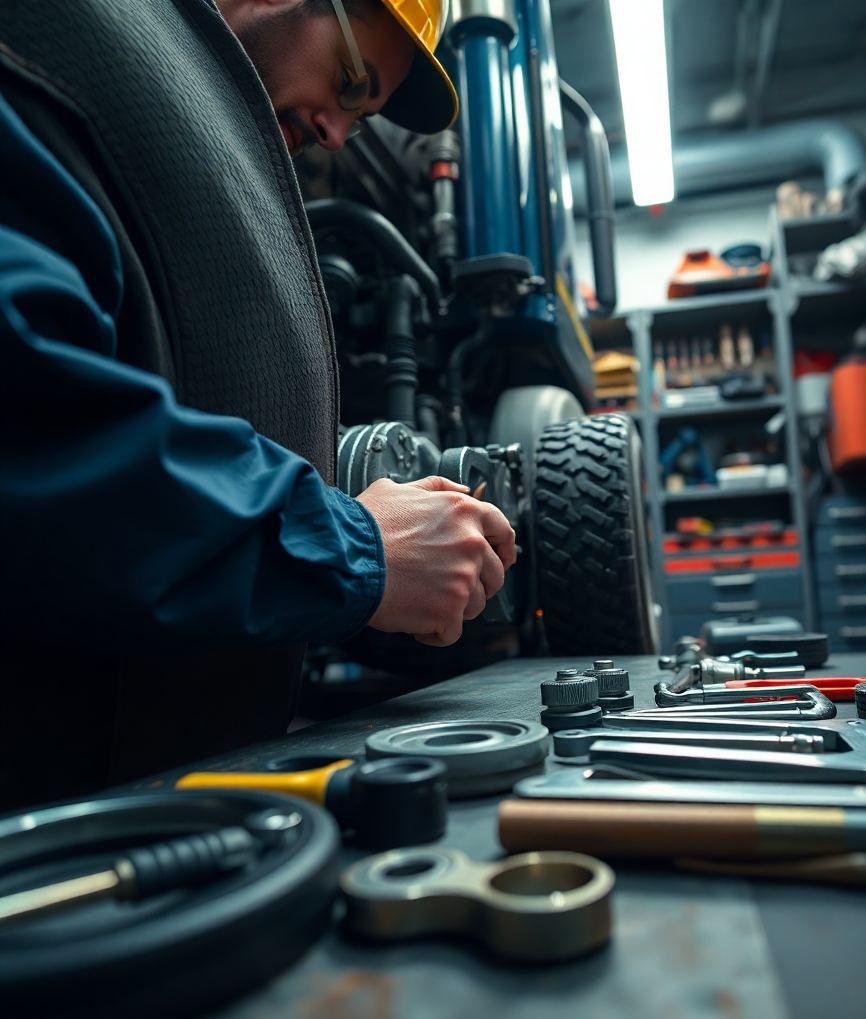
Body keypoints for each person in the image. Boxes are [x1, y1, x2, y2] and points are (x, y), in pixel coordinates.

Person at [0, 0, 515, 810]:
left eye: (363, 115)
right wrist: (355, 551)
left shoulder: (165, 101)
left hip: (133, 819)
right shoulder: (66, 40)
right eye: (352, 85)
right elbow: (39, 430)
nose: (342, 134)